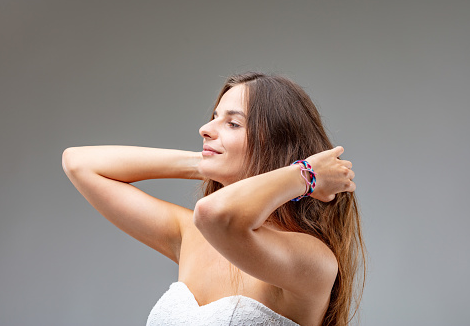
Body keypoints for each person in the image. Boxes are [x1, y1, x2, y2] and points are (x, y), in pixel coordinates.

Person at [62, 72, 365, 326]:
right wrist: (205, 163)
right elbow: (79, 163)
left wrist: (303, 174)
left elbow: (214, 215)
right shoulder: (192, 235)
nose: (205, 129)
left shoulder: (314, 260)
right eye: (214, 118)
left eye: (232, 123)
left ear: (274, 144)